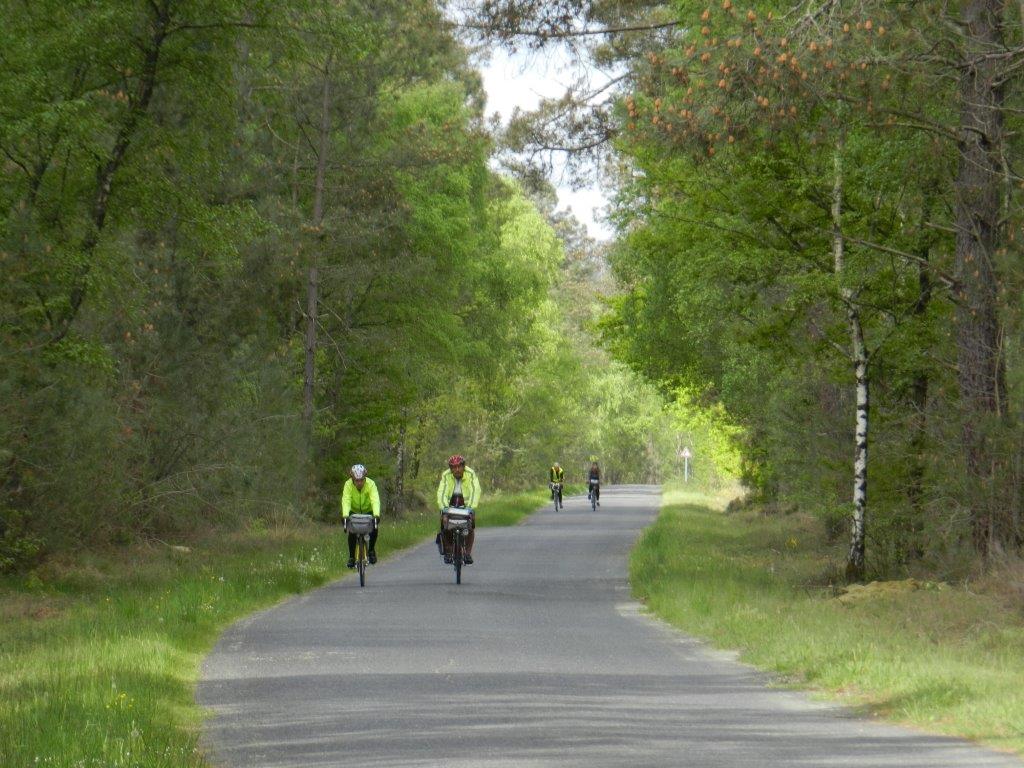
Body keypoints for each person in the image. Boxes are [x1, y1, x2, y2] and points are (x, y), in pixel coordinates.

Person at [436, 454, 481, 565]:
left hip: (466, 505)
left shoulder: (470, 473)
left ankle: (467, 554)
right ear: (450, 468)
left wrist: (471, 507)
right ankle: (448, 550)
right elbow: (442, 492)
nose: (457, 470)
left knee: (470, 526)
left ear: (463, 466)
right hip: (450, 504)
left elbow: (475, 490)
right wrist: (444, 508)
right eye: (453, 467)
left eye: (459, 467)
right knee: (445, 524)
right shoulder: (446, 475)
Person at [341, 464, 380, 568]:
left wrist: (376, 514)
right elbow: (346, 500)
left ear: (364, 478)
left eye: (361, 480)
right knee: (352, 532)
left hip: (368, 511)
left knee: (374, 527)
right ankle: (352, 557)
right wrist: (345, 515)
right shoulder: (348, 485)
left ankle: (371, 550)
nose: (359, 483)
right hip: (353, 511)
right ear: (352, 479)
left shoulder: (371, 484)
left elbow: (375, 499)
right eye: (356, 480)